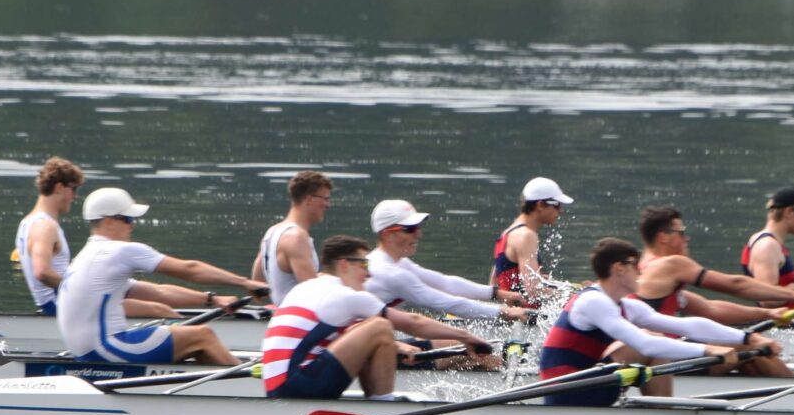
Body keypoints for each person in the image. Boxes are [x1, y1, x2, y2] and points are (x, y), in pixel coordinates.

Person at [537, 238, 787, 405]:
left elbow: (687, 326)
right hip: (562, 393)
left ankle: (662, 414)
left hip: (588, 385)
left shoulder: (626, 305)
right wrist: (708, 349)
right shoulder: (593, 302)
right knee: (653, 342)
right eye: (636, 266)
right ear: (619, 269)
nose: (642, 272)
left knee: (658, 339)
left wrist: (746, 338)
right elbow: (644, 345)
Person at [262, 234, 495, 399]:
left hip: (277, 386)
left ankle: (376, 401)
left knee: (373, 329)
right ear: (344, 265)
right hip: (299, 385)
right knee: (380, 325)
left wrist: (395, 346)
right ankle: (382, 404)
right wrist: (466, 336)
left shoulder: (306, 288)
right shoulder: (346, 296)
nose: (368, 272)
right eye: (363, 263)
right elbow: (414, 324)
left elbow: (345, 335)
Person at [56, 187, 267, 367]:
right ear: (108, 221)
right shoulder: (119, 251)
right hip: (108, 349)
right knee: (203, 336)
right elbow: (189, 269)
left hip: (85, 351)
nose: (133, 224)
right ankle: (254, 391)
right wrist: (244, 282)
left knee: (193, 340)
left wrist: (212, 300)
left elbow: (158, 291)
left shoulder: (87, 257)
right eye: (128, 219)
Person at [635, 205, 794, 328]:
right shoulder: (671, 264)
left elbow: (710, 308)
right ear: (663, 237)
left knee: (745, 343)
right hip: (657, 354)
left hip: (659, 349)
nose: (687, 238)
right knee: (748, 350)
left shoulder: (644, 267)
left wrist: (768, 313)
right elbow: (735, 284)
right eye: (682, 232)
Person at [368, 198, 533, 327]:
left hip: (380, 341)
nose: (418, 235)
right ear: (387, 234)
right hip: (370, 352)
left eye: (418, 227)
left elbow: (445, 283)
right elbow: (444, 302)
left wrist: (496, 293)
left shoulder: (398, 263)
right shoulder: (389, 272)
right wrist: (504, 312)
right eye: (410, 229)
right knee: (479, 356)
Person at [14, 156, 83, 315]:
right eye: (74, 189)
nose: (75, 197)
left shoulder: (27, 222)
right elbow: (42, 272)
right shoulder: (44, 226)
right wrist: (82, 290)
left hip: (56, 305)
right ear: (59, 187)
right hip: (60, 308)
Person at [256, 170, 334, 306]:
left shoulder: (272, 232)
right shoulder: (296, 237)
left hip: (283, 314)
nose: (328, 205)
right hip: (300, 322)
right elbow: (314, 295)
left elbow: (256, 285)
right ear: (309, 199)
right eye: (325, 199)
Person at [491, 176, 573, 298]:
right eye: (557, 205)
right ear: (540, 205)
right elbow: (533, 290)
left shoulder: (507, 233)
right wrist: (575, 297)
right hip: (525, 314)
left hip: (512, 312)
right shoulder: (526, 236)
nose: (561, 211)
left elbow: (493, 284)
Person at [742, 186, 794, 294]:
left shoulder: (772, 244)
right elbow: (768, 300)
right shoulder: (767, 246)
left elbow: (785, 297)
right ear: (789, 212)